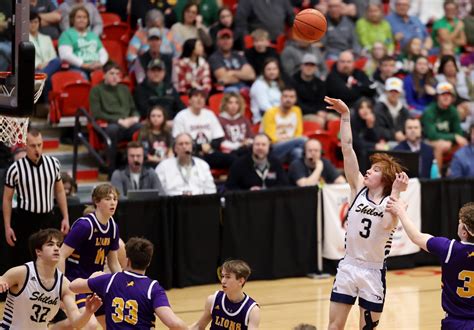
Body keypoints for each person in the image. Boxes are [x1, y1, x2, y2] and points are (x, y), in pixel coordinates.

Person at [324, 95, 408, 330]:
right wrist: (345, 116)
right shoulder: (358, 188)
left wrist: (398, 193)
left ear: (387, 179)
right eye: (369, 169)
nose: (368, 172)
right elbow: (347, 148)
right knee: (334, 326)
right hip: (349, 265)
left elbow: (386, 225)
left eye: (375, 170)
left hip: (372, 270)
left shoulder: (392, 202)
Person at [386, 199, 474, 330]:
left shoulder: (449, 249)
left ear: (464, 232)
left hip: (454, 323)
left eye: (460, 223)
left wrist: (401, 212)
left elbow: (416, 237)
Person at [69, 237, 187, 329]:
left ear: (128, 260)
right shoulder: (153, 288)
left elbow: (73, 286)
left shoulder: (109, 280)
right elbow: (175, 324)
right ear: (149, 262)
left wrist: (94, 276)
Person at [0, 229, 103, 329]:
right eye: (50, 244)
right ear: (38, 252)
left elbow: (76, 322)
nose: (56, 248)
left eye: (58, 245)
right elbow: (2, 280)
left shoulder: (64, 284)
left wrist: (88, 312)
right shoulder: (22, 273)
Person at [56, 183, 122, 329]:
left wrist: (125, 284)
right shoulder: (85, 226)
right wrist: (60, 287)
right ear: (97, 202)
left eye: (115, 199)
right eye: (108, 199)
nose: (113, 202)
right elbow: (61, 255)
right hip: (77, 282)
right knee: (89, 325)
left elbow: (113, 262)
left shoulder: (113, 227)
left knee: (114, 323)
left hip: (96, 282)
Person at [3, 128, 69, 266]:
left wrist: (65, 217)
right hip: (26, 219)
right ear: (25, 145)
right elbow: (7, 199)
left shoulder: (53, 164)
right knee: (27, 260)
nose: (37, 149)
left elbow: (60, 191)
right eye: (33, 145)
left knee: (51, 258)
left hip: (48, 218)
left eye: (39, 144)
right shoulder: (15, 169)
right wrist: (7, 226)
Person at [90, 61, 142, 171]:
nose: (115, 77)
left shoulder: (124, 89)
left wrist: (135, 118)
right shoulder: (96, 90)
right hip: (109, 124)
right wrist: (117, 120)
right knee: (112, 129)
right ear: (104, 75)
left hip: (127, 123)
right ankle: (111, 169)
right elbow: (97, 113)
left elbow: (133, 109)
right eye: (111, 73)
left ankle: (139, 166)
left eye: (117, 74)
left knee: (142, 127)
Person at [172, 88, 235, 169]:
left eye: (202, 97)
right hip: (191, 154)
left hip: (209, 152)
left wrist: (209, 146)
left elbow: (218, 137)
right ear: (189, 100)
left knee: (233, 159)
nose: (199, 99)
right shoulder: (181, 116)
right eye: (196, 96)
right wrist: (200, 147)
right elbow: (178, 141)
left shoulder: (209, 114)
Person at [190, 259, 260, 329]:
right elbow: (199, 326)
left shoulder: (252, 310)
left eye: (228, 277)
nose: (223, 281)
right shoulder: (213, 300)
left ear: (241, 281)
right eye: (223, 276)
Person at [421, 82, 468, 174]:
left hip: (448, 142)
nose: (446, 97)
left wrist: (453, 138)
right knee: (441, 146)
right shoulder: (430, 111)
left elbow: (459, 133)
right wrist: (453, 137)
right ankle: (438, 176)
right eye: (443, 94)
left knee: (464, 143)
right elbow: (432, 135)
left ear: (452, 98)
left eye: (449, 95)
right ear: (437, 96)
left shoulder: (453, 111)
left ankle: (457, 174)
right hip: (427, 141)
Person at [58, 5, 108, 78]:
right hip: (77, 67)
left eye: (85, 17)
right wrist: (85, 65)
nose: (82, 20)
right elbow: (65, 55)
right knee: (82, 77)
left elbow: (103, 53)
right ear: (72, 19)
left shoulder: (93, 35)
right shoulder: (66, 34)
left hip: (96, 66)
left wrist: (100, 63)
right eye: (79, 17)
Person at [261, 87, 306, 163]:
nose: (288, 99)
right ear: (281, 98)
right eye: (285, 96)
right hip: (275, 148)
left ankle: (297, 174)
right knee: (302, 140)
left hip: (291, 147)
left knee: (298, 152)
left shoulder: (297, 110)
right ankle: (316, 150)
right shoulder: (270, 112)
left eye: (291, 97)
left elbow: (298, 132)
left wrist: (291, 142)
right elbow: (271, 137)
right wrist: (290, 141)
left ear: (295, 99)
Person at [208, 28, 256, 93]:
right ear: (218, 42)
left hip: (245, 87)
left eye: (228, 38)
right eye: (223, 39)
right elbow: (223, 80)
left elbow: (251, 75)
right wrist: (243, 76)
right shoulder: (214, 57)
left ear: (232, 40)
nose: (226, 41)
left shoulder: (238, 55)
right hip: (227, 89)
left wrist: (232, 73)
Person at [291, 54, 327, 126]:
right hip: (301, 114)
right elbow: (297, 104)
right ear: (301, 66)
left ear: (316, 68)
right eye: (306, 64)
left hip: (317, 112)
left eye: (312, 65)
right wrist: (316, 112)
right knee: (320, 121)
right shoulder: (293, 81)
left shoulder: (319, 83)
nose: (309, 67)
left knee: (335, 119)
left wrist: (322, 111)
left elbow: (322, 101)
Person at [374, 77, 410, 144]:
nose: (393, 94)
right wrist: (394, 135)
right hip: (384, 142)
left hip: (402, 142)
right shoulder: (378, 108)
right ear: (386, 91)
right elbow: (377, 129)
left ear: (400, 93)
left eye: (396, 91)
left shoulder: (404, 110)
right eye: (391, 91)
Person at [250, 58, 284, 123]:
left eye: (274, 69)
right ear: (264, 71)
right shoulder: (259, 84)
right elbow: (264, 106)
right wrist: (281, 115)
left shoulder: (277, 84)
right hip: (263, 120)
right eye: (269, 69)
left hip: (279, 117)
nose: (272, 72)